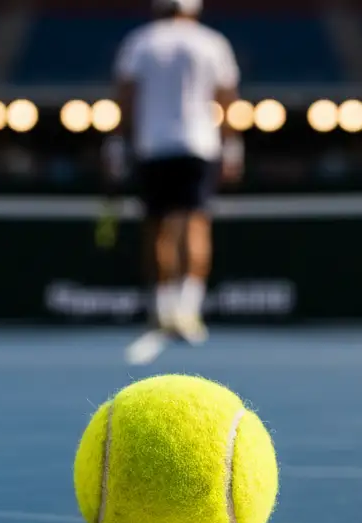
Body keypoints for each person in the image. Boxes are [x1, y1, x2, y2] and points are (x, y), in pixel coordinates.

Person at [101, 0, 243, 356]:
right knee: (194, 224)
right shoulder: (212, 42)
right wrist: (232, 146)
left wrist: (117, 144)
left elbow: (125, 99)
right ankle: (187, 312)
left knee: (158, 227)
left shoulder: (140, 42)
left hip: (153, 148)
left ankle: (166, 310)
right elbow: (227, 99)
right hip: (199, 147)